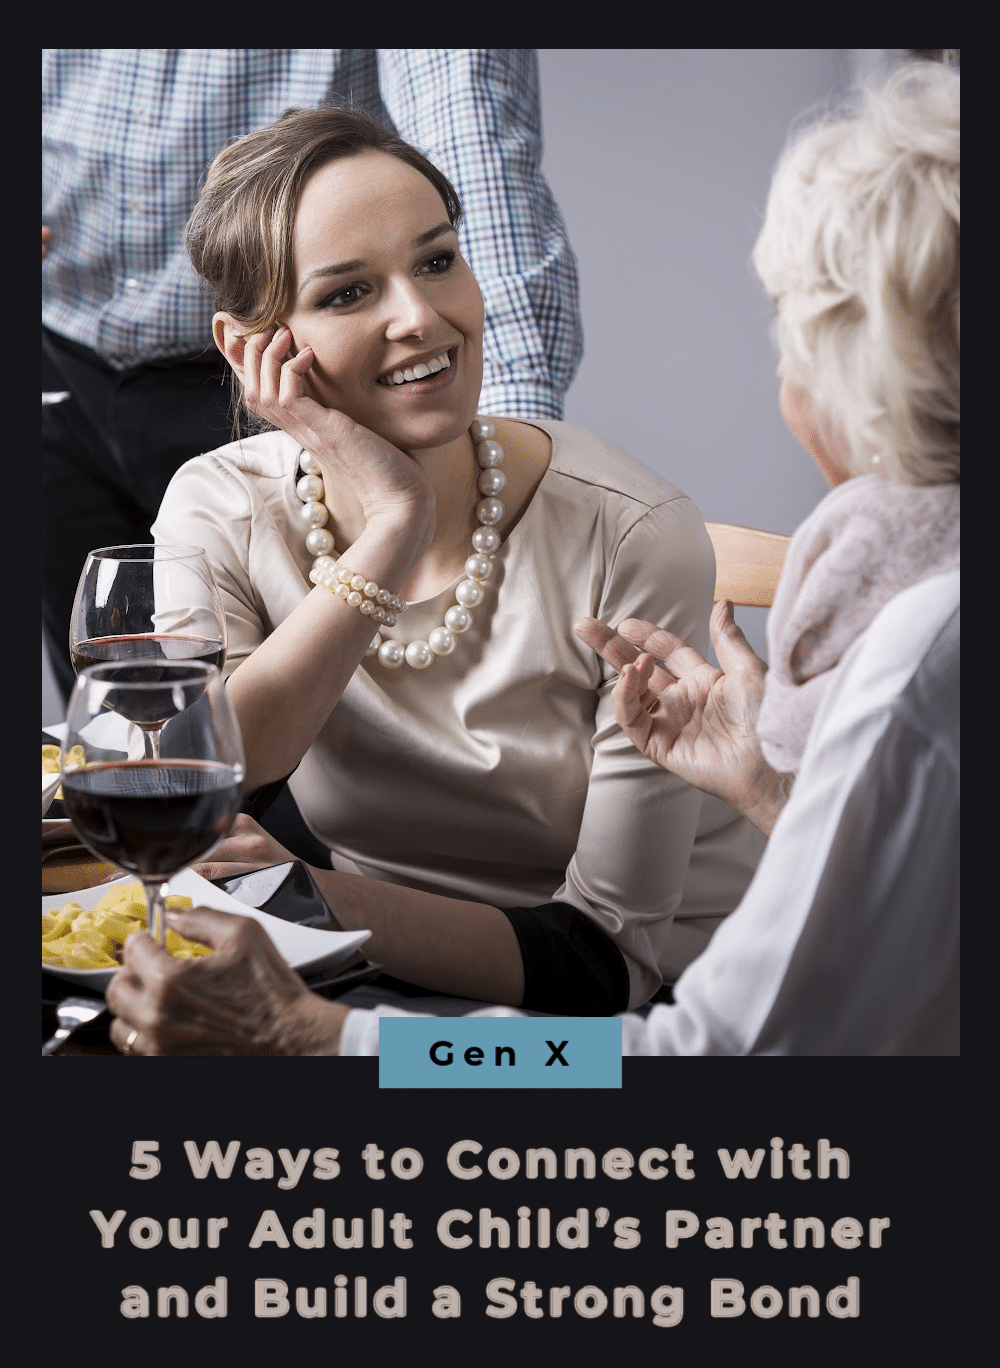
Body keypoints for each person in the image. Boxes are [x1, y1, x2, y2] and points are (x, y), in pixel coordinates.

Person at [108, 101, 763, 1030]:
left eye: (436, 259)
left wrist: (317, 900)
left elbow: (609, 961)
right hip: (367, 978)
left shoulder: (633, 533)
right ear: (250, 349)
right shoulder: (217, 503)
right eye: (347, 293)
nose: (422, 317)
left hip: (630, 1027)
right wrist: (394, 525)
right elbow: (194, 783)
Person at [42, 49, 583, 709]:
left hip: (283, 388)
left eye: (441, 261)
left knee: (320, 755)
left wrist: (515, 502)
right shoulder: (205, 499)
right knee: (116, 738)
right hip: (53, 359)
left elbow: (479, 162)